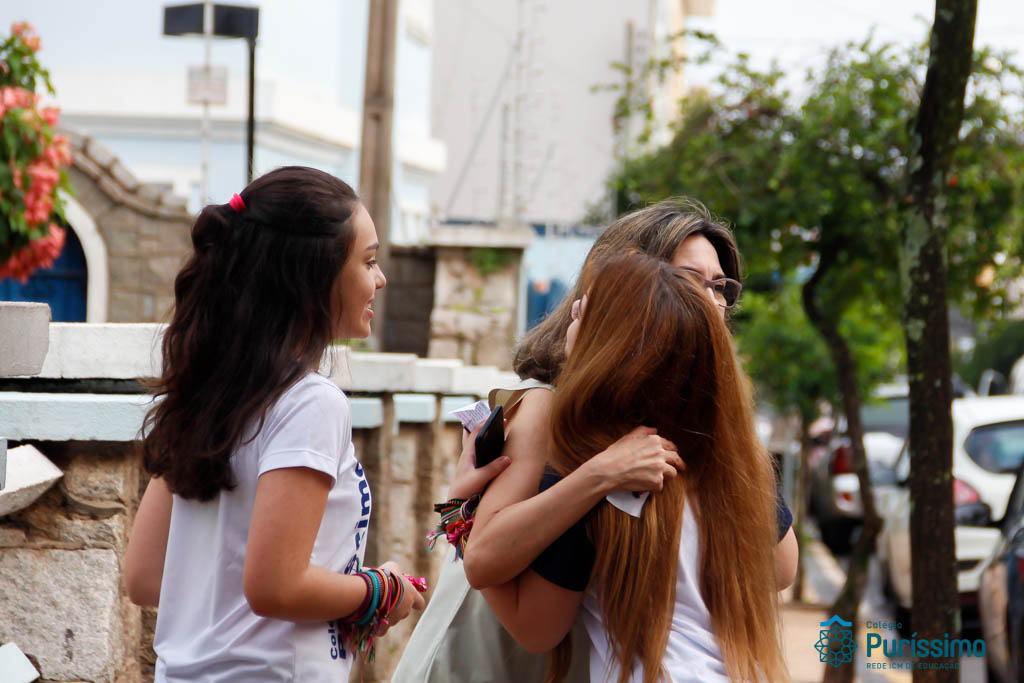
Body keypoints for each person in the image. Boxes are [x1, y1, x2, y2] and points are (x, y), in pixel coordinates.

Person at [393, 199, 796, 682]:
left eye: (720, 287)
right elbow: (485, 560)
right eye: (689, 280)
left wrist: (459, 507)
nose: (710, 302)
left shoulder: (655, 444)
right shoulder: (563, 422)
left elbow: (779, 568)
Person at [124, 166, 424, 682]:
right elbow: (275, 587)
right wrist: (381, 589)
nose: (380, 279)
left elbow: (148, 576)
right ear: (313, 275)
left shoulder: (208, 393)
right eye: (368, 261)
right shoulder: (311, 402)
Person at [479, 251, 789, 683]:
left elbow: (534, 627)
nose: (572, 313)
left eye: (585, 311)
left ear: (611, 345)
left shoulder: (589, 474)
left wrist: (463, 507)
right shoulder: (730, 462)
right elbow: (785, 567)